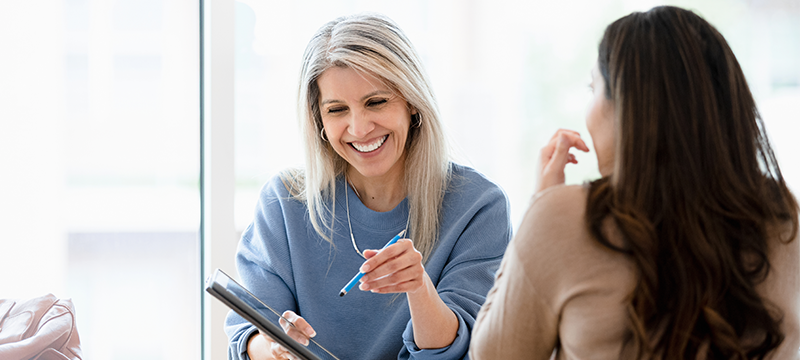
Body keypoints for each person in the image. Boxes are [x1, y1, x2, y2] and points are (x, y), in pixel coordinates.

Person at [470, 6, 799, 360]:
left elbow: (493, 354)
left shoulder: (562, 216)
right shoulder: (782, 216)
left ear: (626, 105)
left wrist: (541, 204)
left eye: (593, 87)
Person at [225, 13, 512, 360]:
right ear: (319, 120)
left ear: (412, 103)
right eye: (337, 110)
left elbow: (463, 350)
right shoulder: (284, 202)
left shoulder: (478, 207)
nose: (359, 129)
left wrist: (418, 287)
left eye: (376, 102)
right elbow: (247, 332)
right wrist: (272, 347)